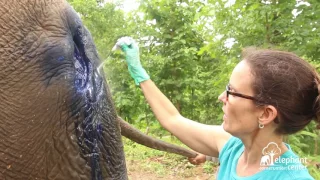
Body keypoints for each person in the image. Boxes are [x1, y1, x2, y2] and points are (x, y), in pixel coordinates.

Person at [116, 37, 318, 179]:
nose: (221, 97)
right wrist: (139, 73)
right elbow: (173, 119)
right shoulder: (233, 148)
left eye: (232, 91)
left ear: (265, 114)